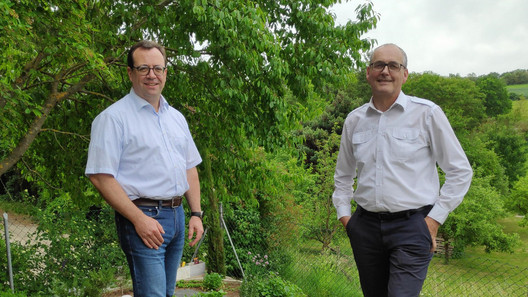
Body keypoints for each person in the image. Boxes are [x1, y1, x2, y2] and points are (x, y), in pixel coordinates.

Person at [332, 43, 473, 297]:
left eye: (393, 65)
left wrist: (433, 220)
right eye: (378, 65)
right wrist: (346, 219)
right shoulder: (354, 120)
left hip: (413, 227)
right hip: (365, 228)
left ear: (404, 74)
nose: (385, 71)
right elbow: (343, 176)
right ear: (368, 72)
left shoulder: (427, 114)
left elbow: (460, 171)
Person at [85, 40, 204, 297]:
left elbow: (189, 168)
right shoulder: (113, 119)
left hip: (177, 218)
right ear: (130, 73)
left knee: (166, 294)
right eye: (143, 68)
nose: (152, 75)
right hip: (143, 217)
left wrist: (196, 213)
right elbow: (100, 176)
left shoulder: (176, 118)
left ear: (165, 73)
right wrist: (139, 219)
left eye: (158, 68)